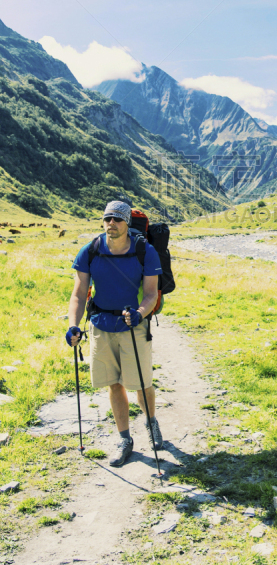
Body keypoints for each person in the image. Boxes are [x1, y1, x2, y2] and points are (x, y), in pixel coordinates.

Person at [65, 200, 163, 467]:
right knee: (114, 383)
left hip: (134, 325)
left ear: (127, 223)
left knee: (142, 383)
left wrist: (141, 313)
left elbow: (152, 293)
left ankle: (151, 422)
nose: (111, 224)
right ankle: (125, 439)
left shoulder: (145, 251)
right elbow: (78, 293)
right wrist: (73, 324)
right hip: (101, 324)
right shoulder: (91, 250)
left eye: (117, 219)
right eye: (107, 219)